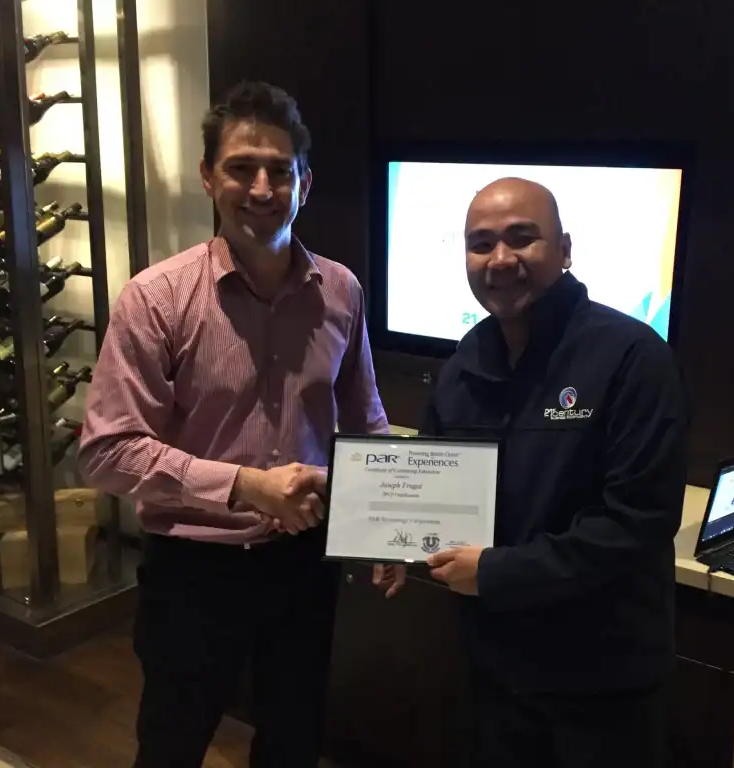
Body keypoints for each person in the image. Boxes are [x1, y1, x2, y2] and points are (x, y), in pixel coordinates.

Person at [77, 80, 404, 768]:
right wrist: (244, 486)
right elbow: (106, 452)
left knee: (293, 739)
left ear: (304, 183)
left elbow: (365, 420)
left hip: (305, 564)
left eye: (280, 171)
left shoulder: (342, 290)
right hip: (194, 572)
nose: (262, 188)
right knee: (172, 740)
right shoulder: (156, 299)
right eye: (240, 167)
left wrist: (386, 522)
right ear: (207, 177)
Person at [423, 177, 689, 767]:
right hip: (496, 671)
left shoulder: (632, 356)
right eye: (481, 243)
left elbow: (635, 523)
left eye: (523, 239)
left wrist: (496, 572)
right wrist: (395, 536)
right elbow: (434, 483)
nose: (500, 260)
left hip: (602, 679)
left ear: (565, 249)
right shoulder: (464, 364)